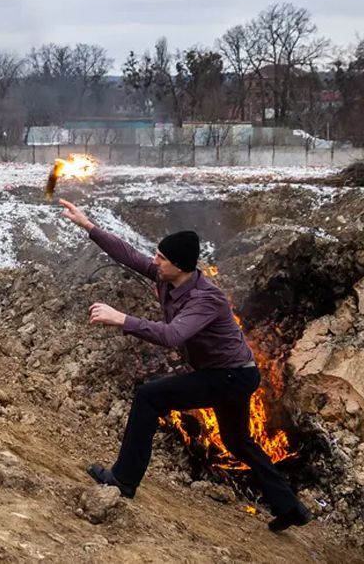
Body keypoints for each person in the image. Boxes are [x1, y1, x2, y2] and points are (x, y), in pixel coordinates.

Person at [58, 199, 312, 532]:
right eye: (157, 255)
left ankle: (123, 480)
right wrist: (88, 225)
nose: (155, 261)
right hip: (229, 374)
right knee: (238, 442)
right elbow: (128, 255)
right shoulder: (167, 277)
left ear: (179, 266)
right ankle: (291, 508)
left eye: (161, 258)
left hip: (231, 376)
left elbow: (173, 335)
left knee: (149, 396)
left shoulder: (206, 298)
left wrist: (122, 319)